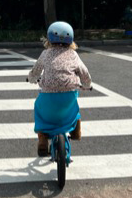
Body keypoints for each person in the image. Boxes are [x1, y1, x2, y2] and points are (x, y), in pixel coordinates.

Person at [27, 21, 92, 157]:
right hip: (68, 96)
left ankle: (43, 140)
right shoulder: (73, 55)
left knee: (39, 110)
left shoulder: (45, 54)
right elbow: (84, 73)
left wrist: (32, 79)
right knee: (74, 109)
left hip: (48, 97)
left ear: (49, 38)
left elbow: (35, 72)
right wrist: (87, 85)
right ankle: (75, 132)